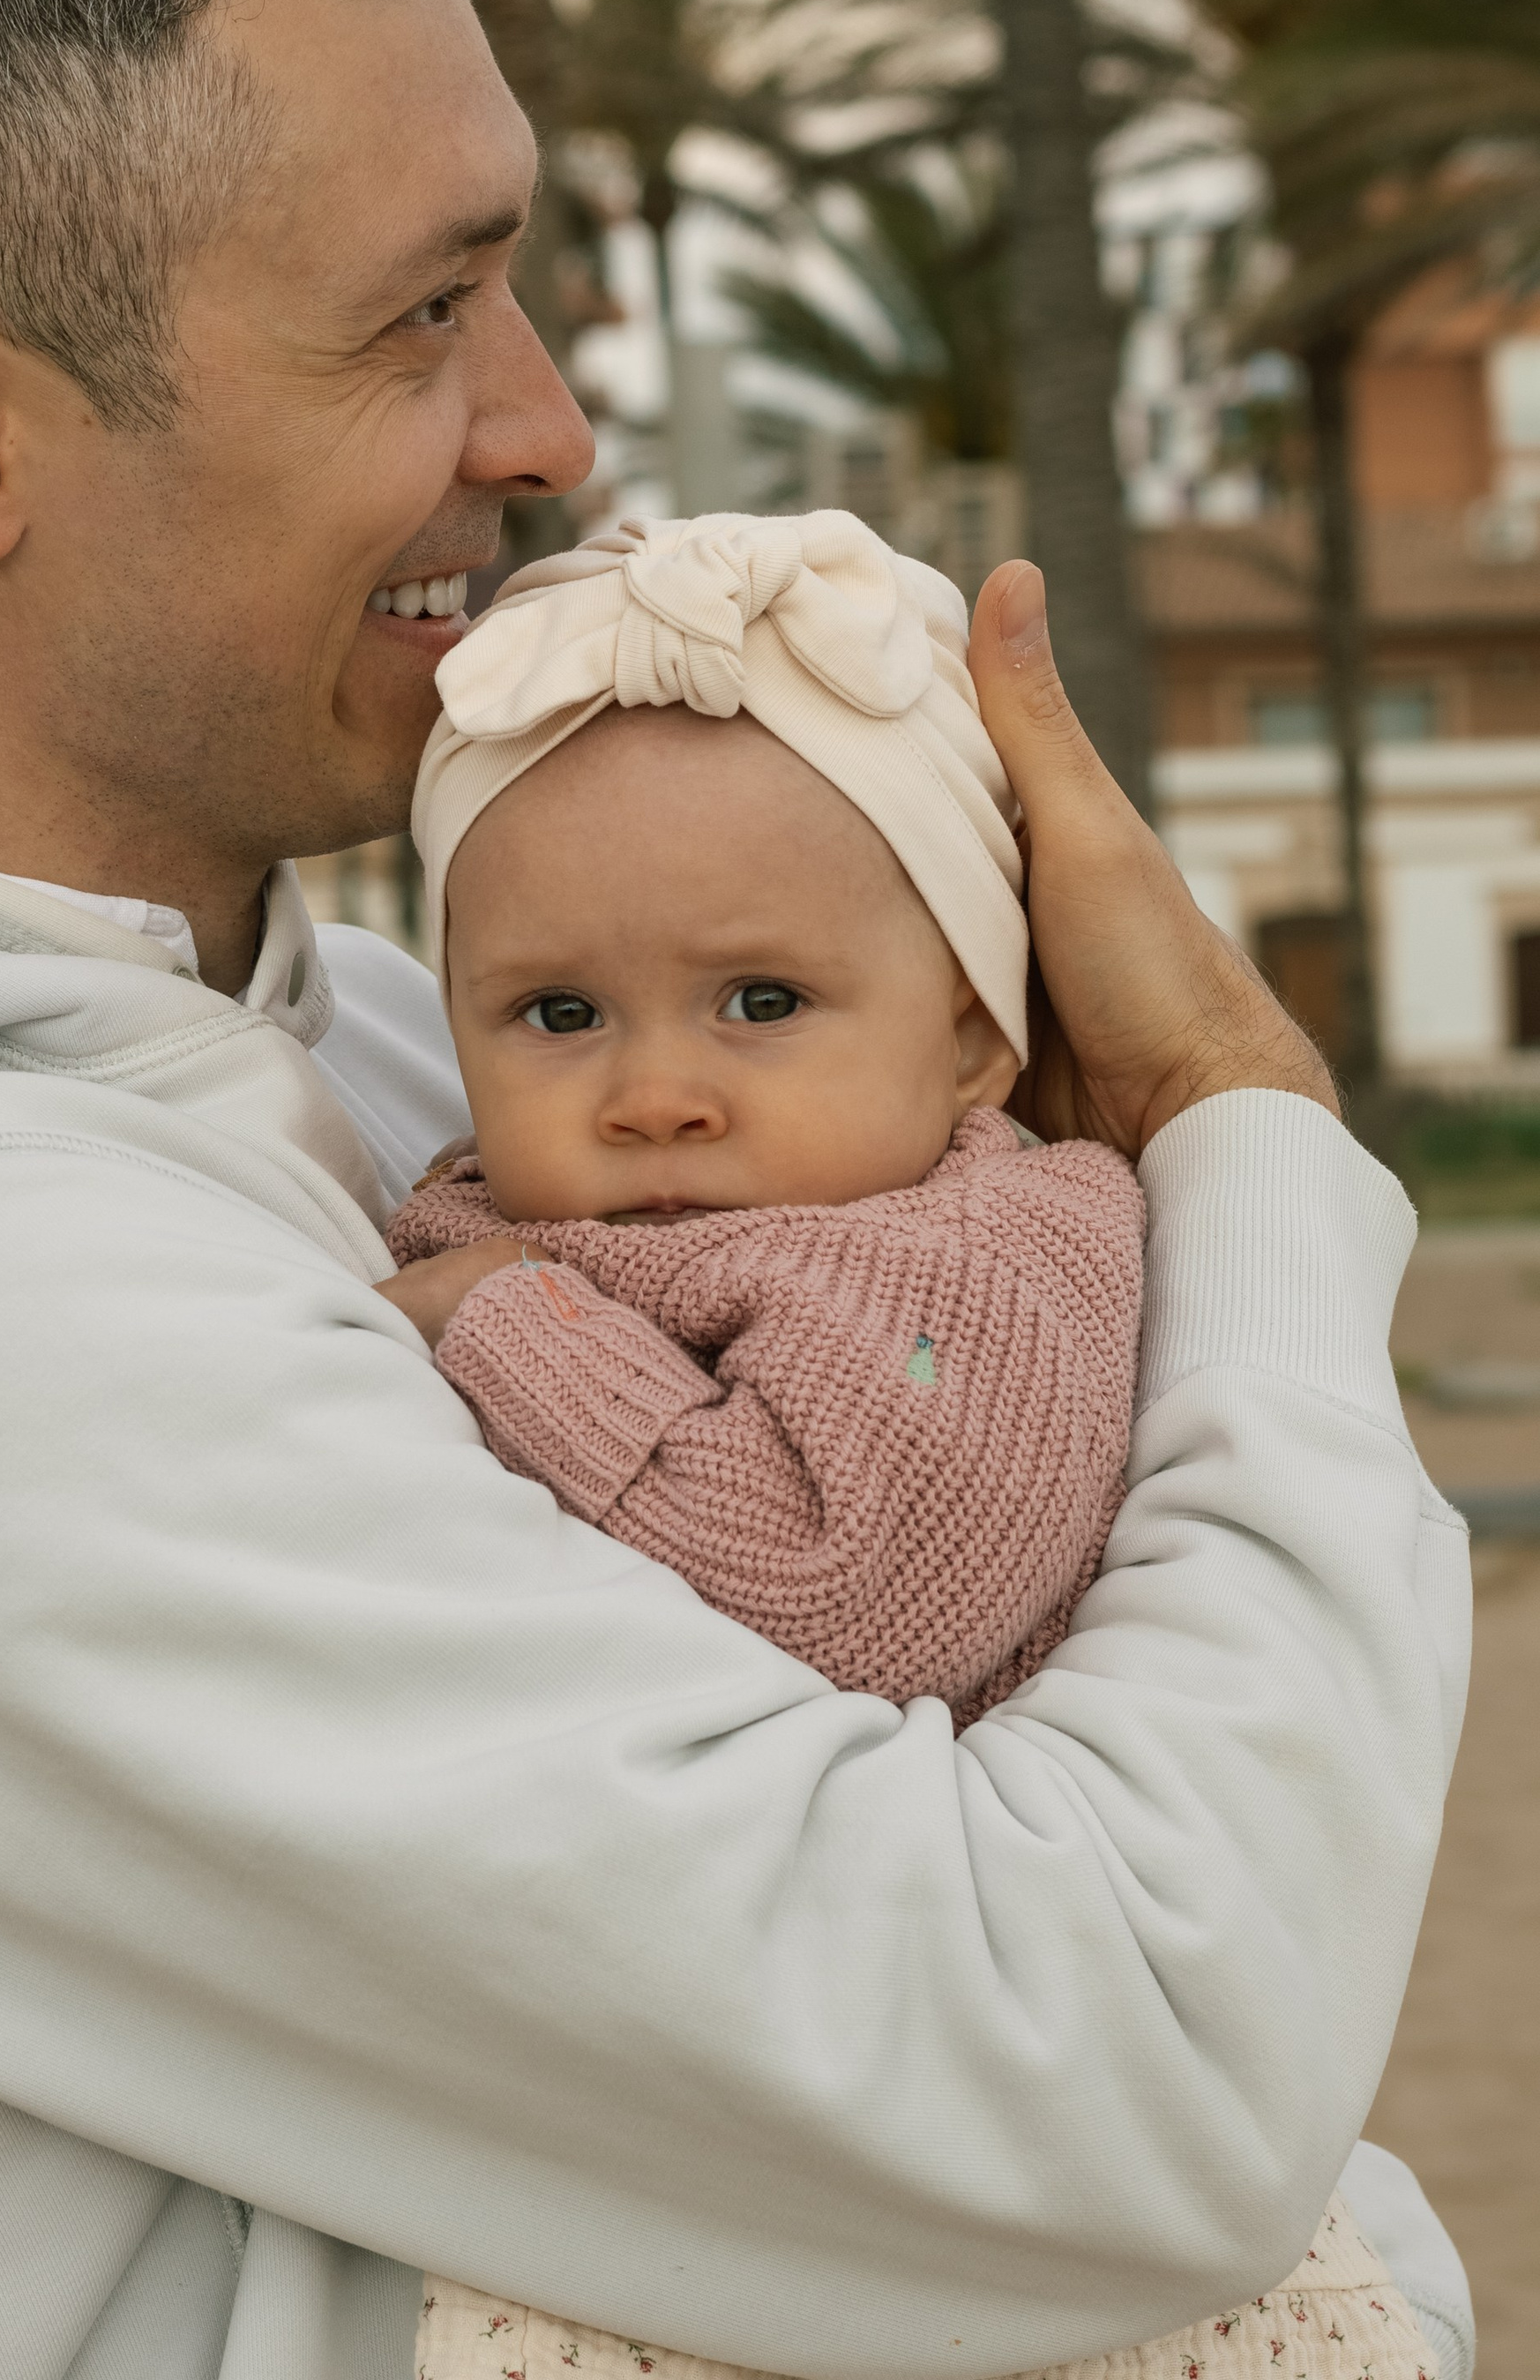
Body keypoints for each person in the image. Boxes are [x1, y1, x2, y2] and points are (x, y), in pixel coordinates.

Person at [0, 0, 1473, 2380]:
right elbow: (1125, 2080)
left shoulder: (424, 1089)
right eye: (426, 314)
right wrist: (1241, 1148)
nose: (545, 429)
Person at [378, 507, 1433, 2380]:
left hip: (1003, 2197)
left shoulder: (985, 1248)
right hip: (706, 2120)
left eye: (760, 1003)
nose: (651, 1093)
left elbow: (855, 1590)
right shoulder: (497, 1219)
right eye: (555, 1014)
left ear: (967, 1037)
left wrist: (509, 1337)